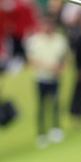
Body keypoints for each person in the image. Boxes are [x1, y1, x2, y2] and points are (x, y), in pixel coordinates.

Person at [24, 15, 69, 148]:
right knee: (41, 106)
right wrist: (49, 67)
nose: (48, 28)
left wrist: (60, 66)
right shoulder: (35, 41)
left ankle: (55, 129)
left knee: (55, 103)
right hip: (41, 78)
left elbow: (65, 56)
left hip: (55, 78)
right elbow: (32, 60)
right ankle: (41, 133)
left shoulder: (59, 39)